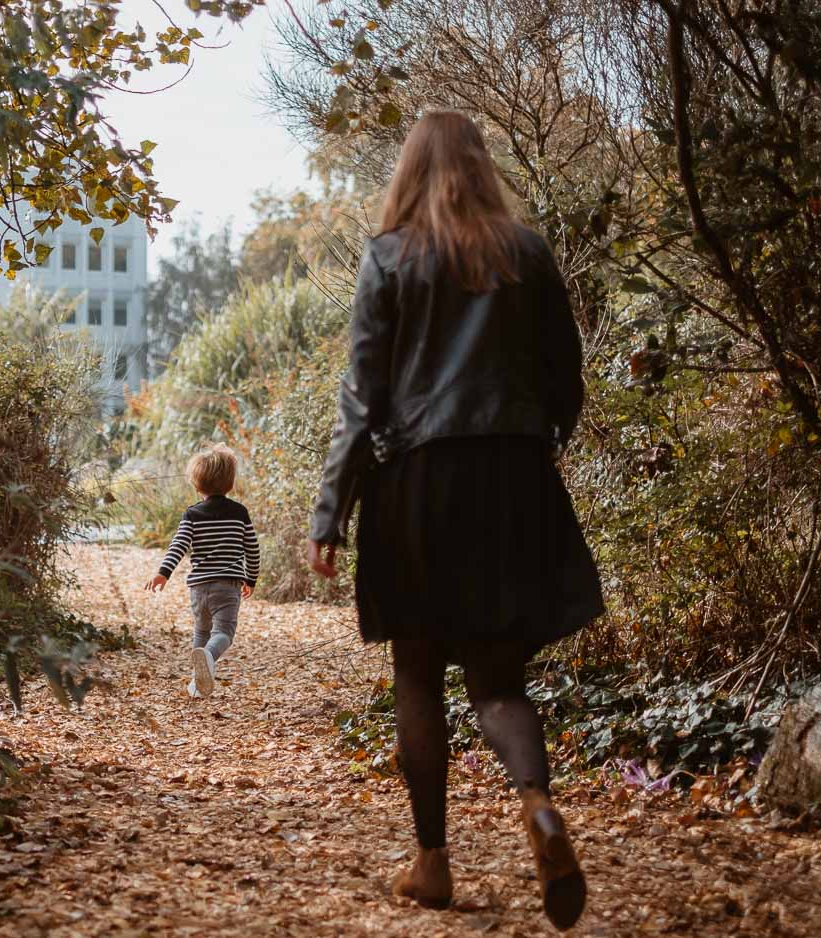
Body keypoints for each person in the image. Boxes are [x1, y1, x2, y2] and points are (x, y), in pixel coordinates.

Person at [306, 111, 604, 931]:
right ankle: (538, 803)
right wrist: (534, 444)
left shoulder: (391, 256)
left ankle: (432, 863)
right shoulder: (527, 252)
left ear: (409, 171)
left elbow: (363, 397)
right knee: (498, 683)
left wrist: (331, 508)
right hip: (512, 475)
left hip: (417, 483)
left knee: (417, 674)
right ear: (482, 166)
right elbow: (564, 374)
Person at [144, 444, 261, 698]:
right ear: (230, 484)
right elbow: (252, 548)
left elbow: (179, 544)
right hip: (227, 586)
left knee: (201, 631)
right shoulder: (240, 513)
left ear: (197, 485)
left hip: (198, 588)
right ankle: (208, 657)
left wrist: (164, 572)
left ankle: (198, 685)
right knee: (223, 633)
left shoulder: (192, 514)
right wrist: (251, 578)